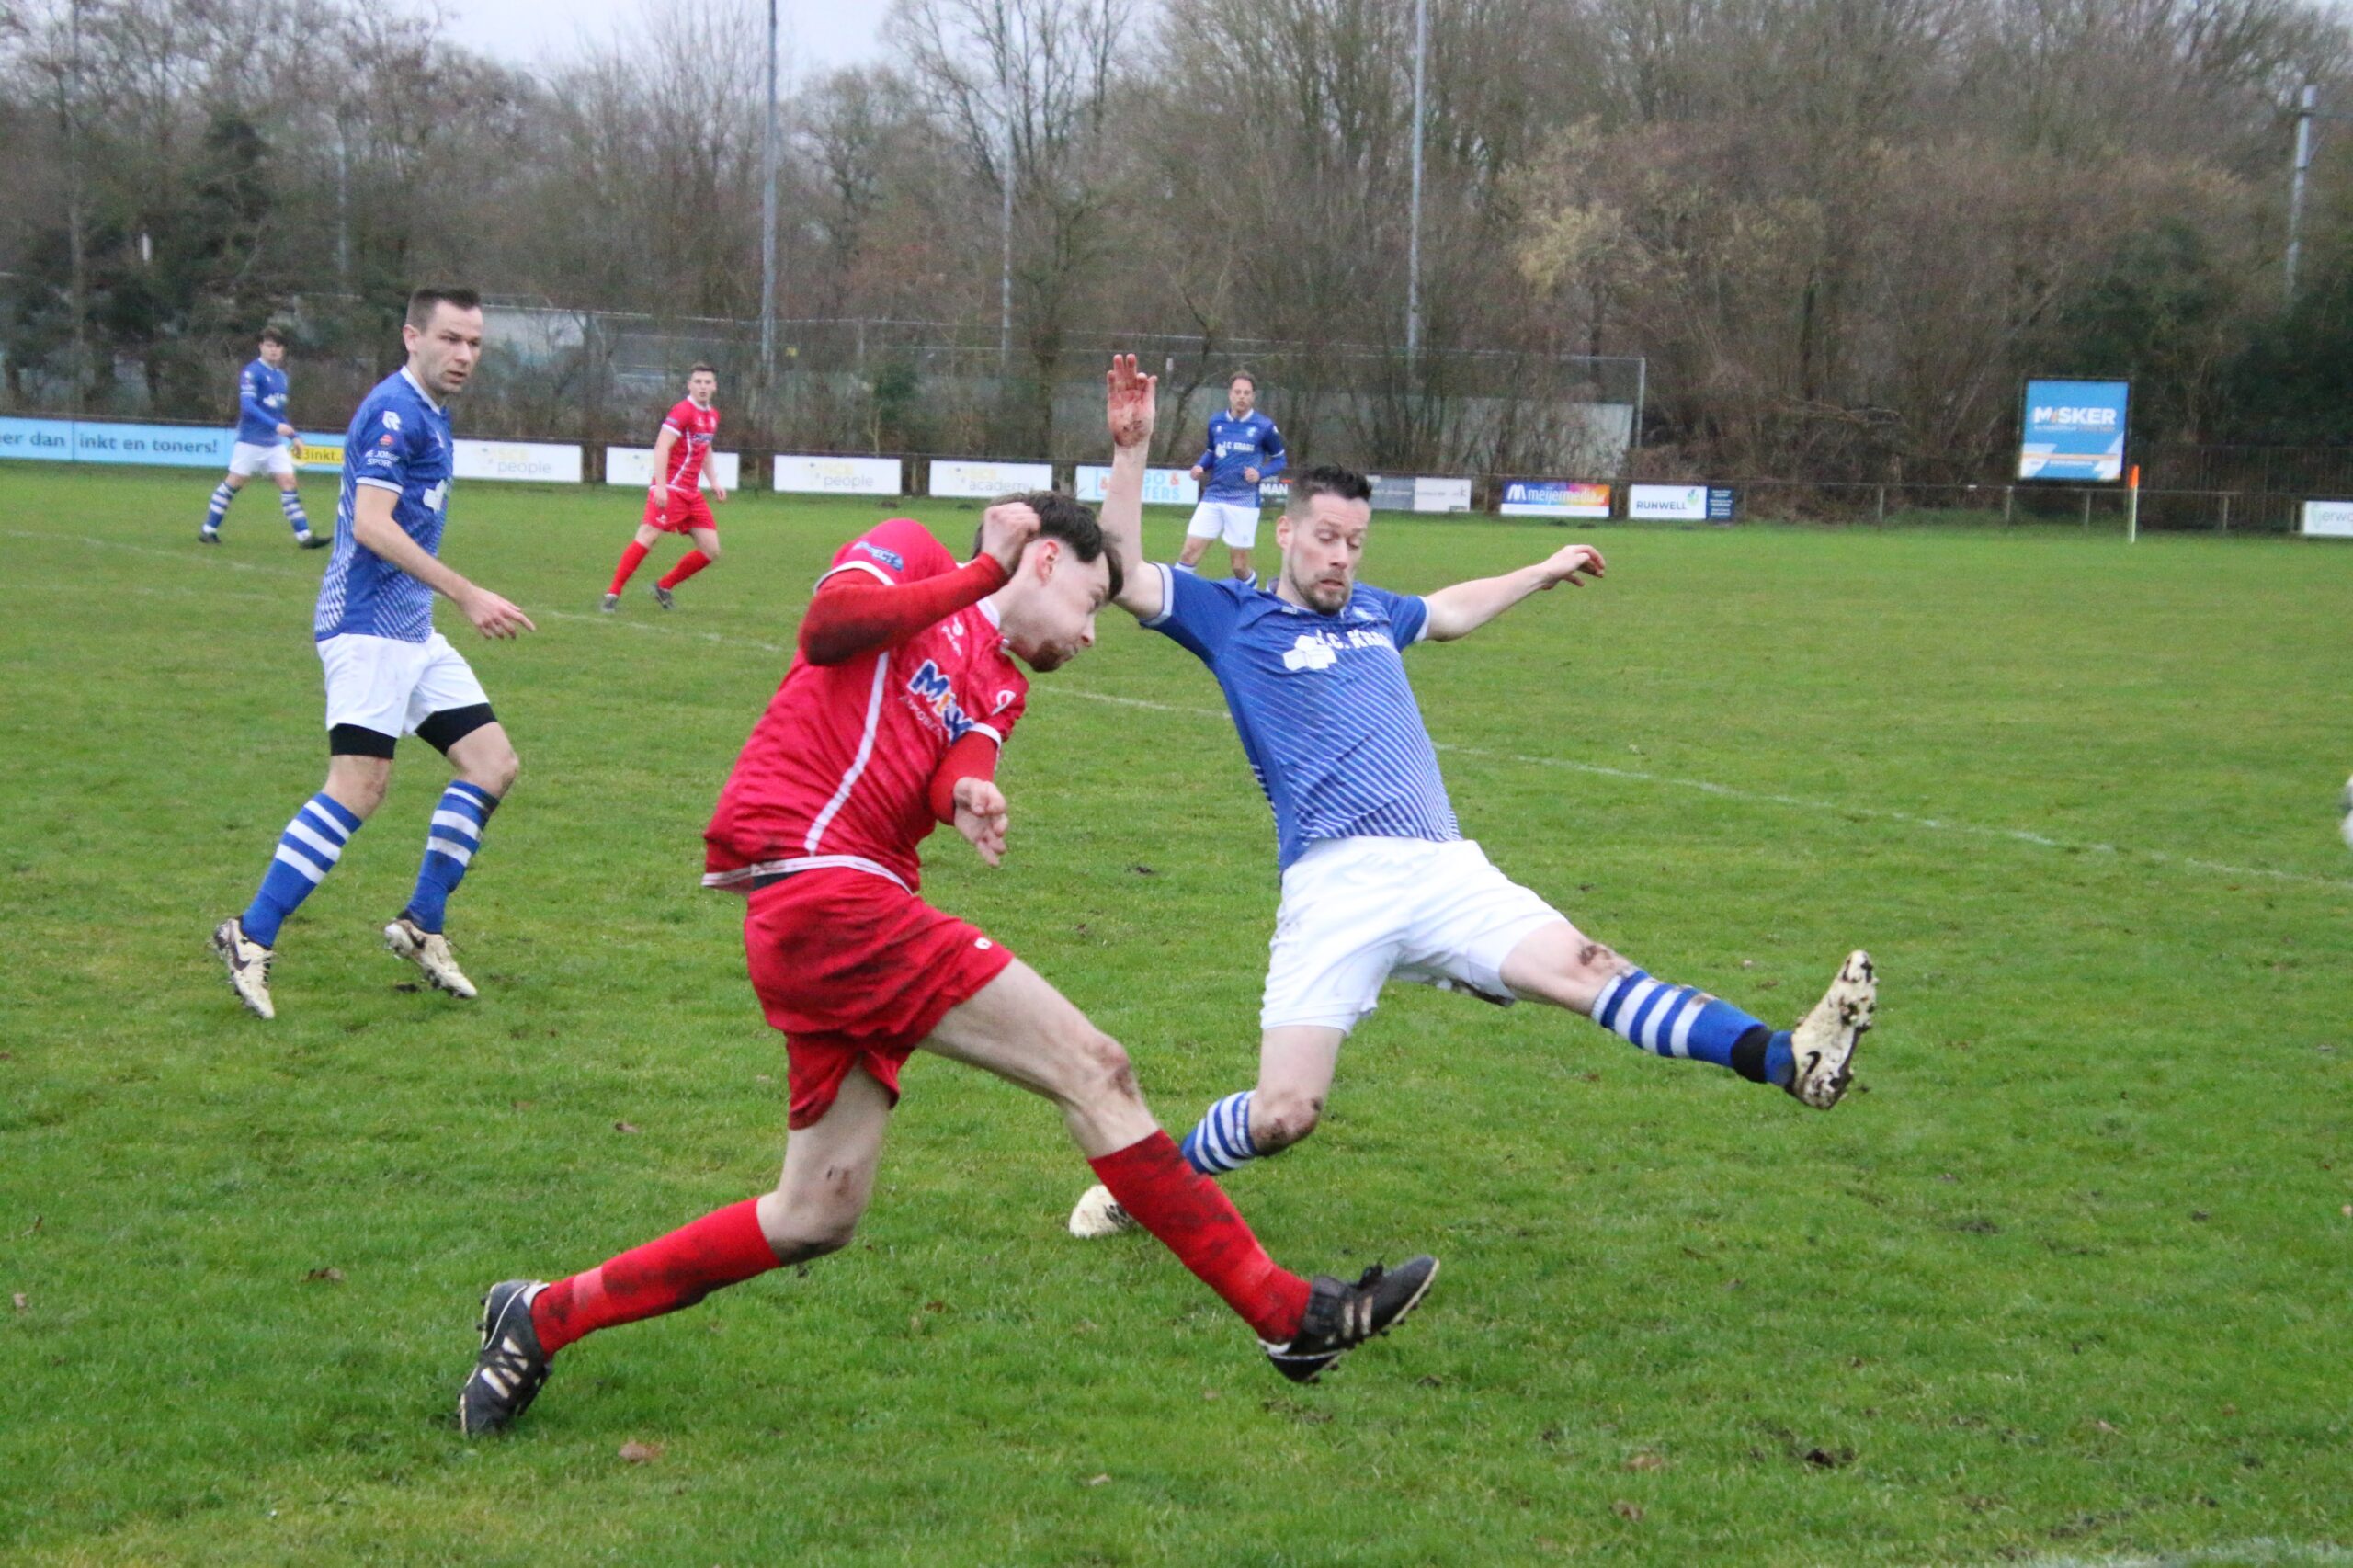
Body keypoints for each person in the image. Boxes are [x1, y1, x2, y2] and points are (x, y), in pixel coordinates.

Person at [457, 389, 1437, 1437]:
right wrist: (977, 571)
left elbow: (962, 750)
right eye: (1094, 606)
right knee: (1094, 1066)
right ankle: (1287, 1312)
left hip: (848, 907)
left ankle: (542, 1313)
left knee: (815, 1212)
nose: (1095, 635)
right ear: (1044, 564)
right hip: (813, 879)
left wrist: (965, 793)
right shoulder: (909, 548)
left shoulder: (1002, 683)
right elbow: (827, 632)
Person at [1067, 356, 1875, 1238]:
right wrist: (1132, 452)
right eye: (1328, 537)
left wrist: (1541, 569)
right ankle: (1148, 1189)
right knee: (1283, 1115)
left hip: (1446, 867)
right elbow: (1118, 570)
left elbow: (1446, 610)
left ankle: (1787, 1059)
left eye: (1356, 541)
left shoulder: (1375, 613)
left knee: (1588, 969)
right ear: (1289, 533)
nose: (1342, 556)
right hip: (1337, 886)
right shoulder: (1233, 618)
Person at [210, 288, 535, 1020]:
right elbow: (371, 525)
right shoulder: (394, 411)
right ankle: (249, 934)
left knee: (492, 764)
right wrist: (468, 593)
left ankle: (421, 924)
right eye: (450, 339)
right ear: (411, 336)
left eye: (475, 343)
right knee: (358, 787)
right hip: (365, 627)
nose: (463, 355)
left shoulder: (431, 414)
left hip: (410, 631)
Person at [603, 364, 728, 610]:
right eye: (698, 381)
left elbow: (705, 449)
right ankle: (612, 594)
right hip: (670, 488)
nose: (703, 386)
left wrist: (713, 481)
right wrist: (660, 486)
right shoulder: (682, 411)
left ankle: (663, 586)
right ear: (689, 385)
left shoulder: (712, 415)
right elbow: (661, 447)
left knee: (711, 549)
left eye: (707, 382)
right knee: (648, 537)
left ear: (714, 386)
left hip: (692, 494)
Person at [199, 327, 323, 549]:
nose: (274, 350)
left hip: (273, 444)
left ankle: (304, 536)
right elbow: (247, 407)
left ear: (283, 350)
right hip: (250, 441)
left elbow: (277, 412)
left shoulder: (281, 377)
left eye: (278, 346)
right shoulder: (251, 372)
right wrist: (277, 426)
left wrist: (293, 435)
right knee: (235, 482)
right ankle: (208, 530)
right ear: (261, 347)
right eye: (269, 345)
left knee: (288, 482)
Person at [1177, 371, 1285, 583]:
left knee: (1239, 567)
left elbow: (1280, 460)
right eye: (1238, 392)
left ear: (1253, 396)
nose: (1242, 397)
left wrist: (1260, 473)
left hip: (1243, 501)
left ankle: (1252, 598)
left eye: (1246, 393)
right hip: (1213, 496)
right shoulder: (1216, 421)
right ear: (1230, 394)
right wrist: (1200, 466)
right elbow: (1211, 452)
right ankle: (1175, 604)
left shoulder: (1264, 427)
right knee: (1188, 554)